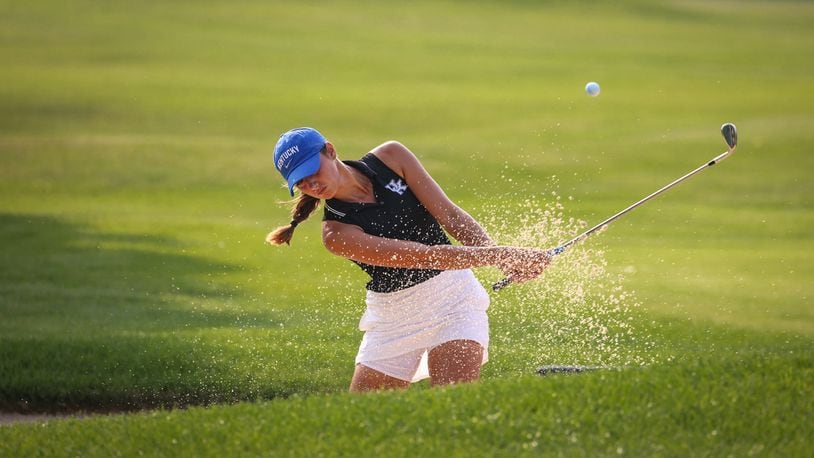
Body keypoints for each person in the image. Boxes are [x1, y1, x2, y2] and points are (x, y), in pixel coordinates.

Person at [266, 127, 550, 392]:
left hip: (454, 300)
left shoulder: (391, 157)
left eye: (312, 169)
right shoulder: (336, 233)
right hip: (393, 319)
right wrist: (501, 255)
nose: (312, 184)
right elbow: (426, 257)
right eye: (301, 181)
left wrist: (503, 259)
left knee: (454, 405)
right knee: (362, 424)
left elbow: (449, 216)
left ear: (330, 150)